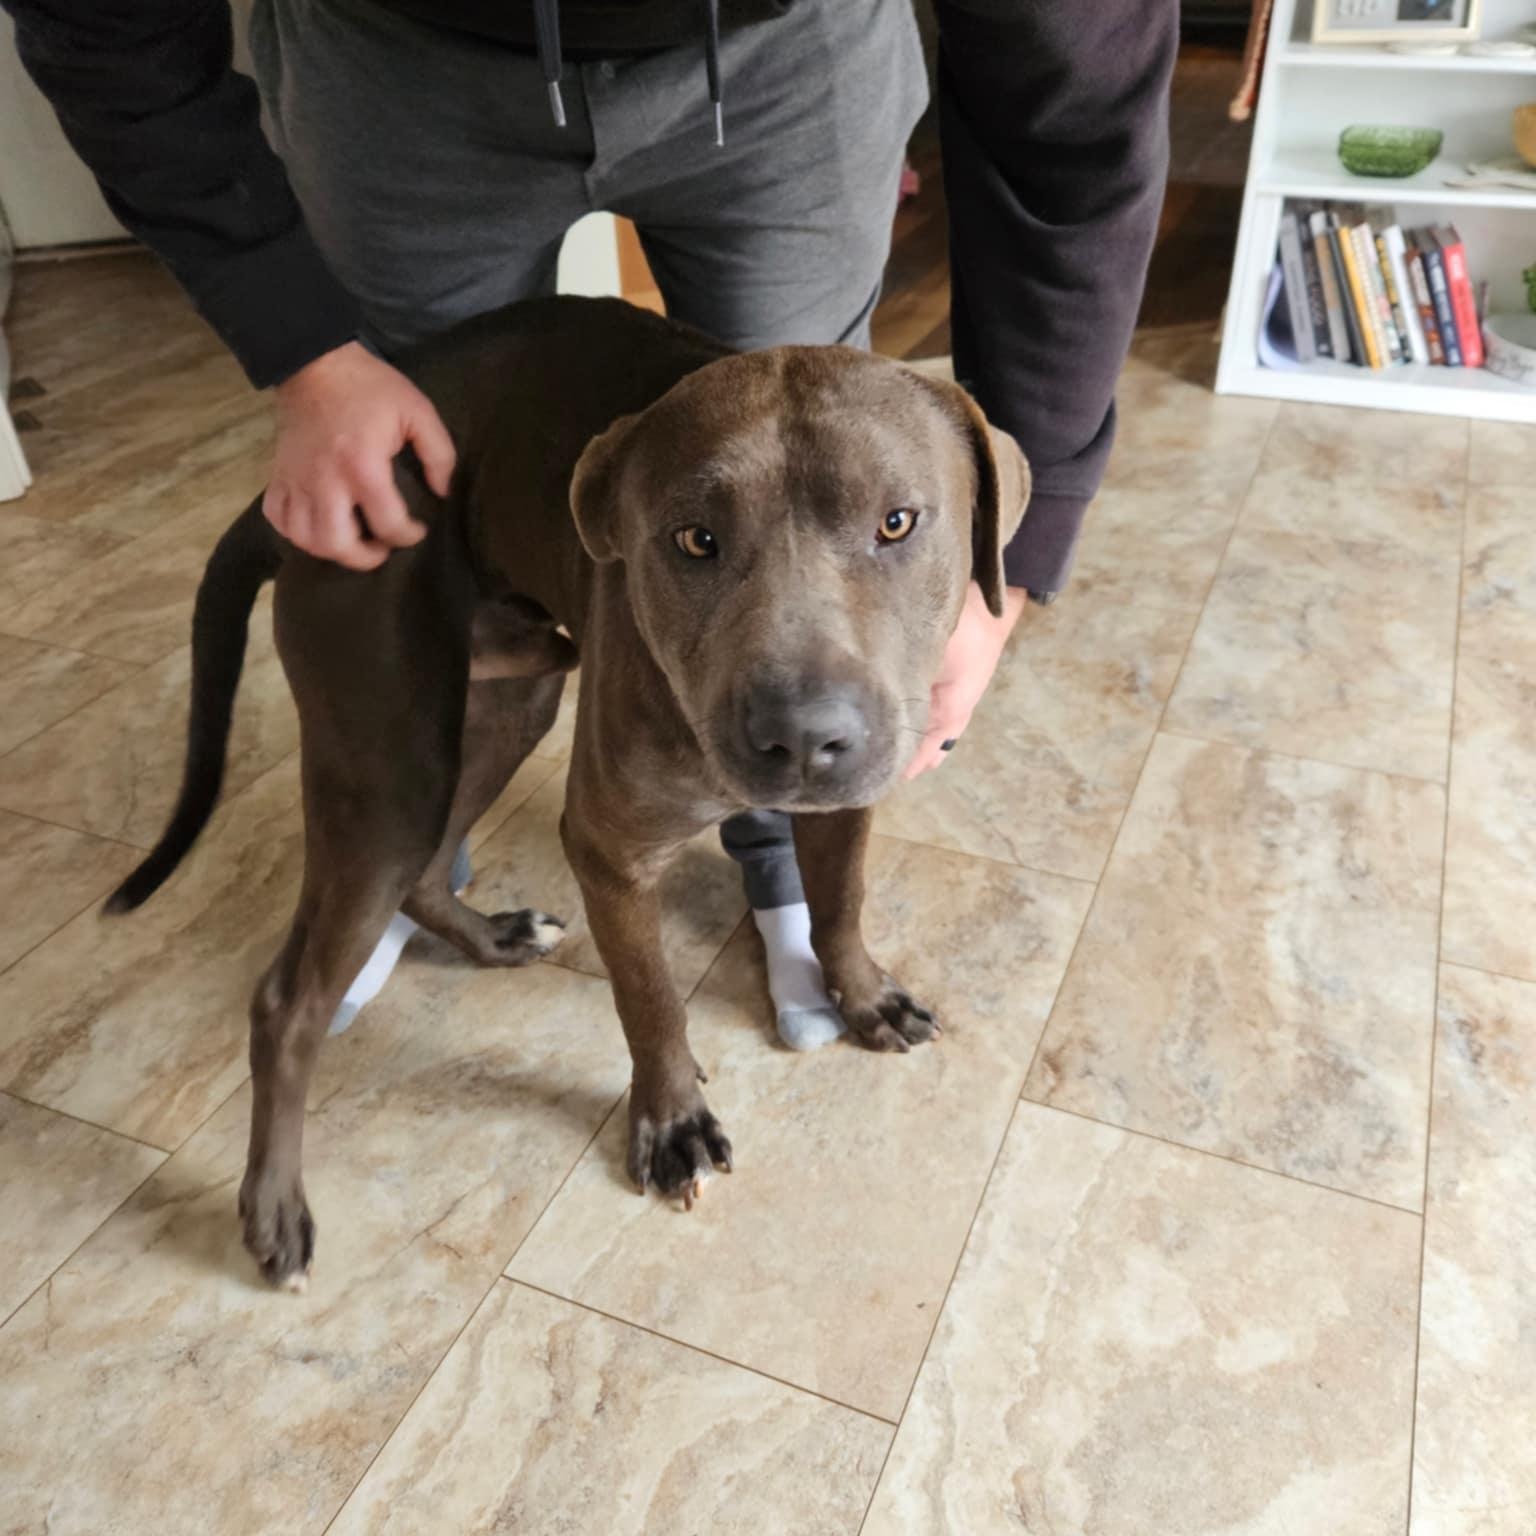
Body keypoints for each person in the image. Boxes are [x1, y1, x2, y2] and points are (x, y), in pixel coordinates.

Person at [9, 0, 1176, 1044]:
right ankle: (413, 856)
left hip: (785, 49)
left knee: (819, 478)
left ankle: (781, 849)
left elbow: (1075, 115)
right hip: (393, 52)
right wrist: (302, 347)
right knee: (431, 516)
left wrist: (1006, 573)